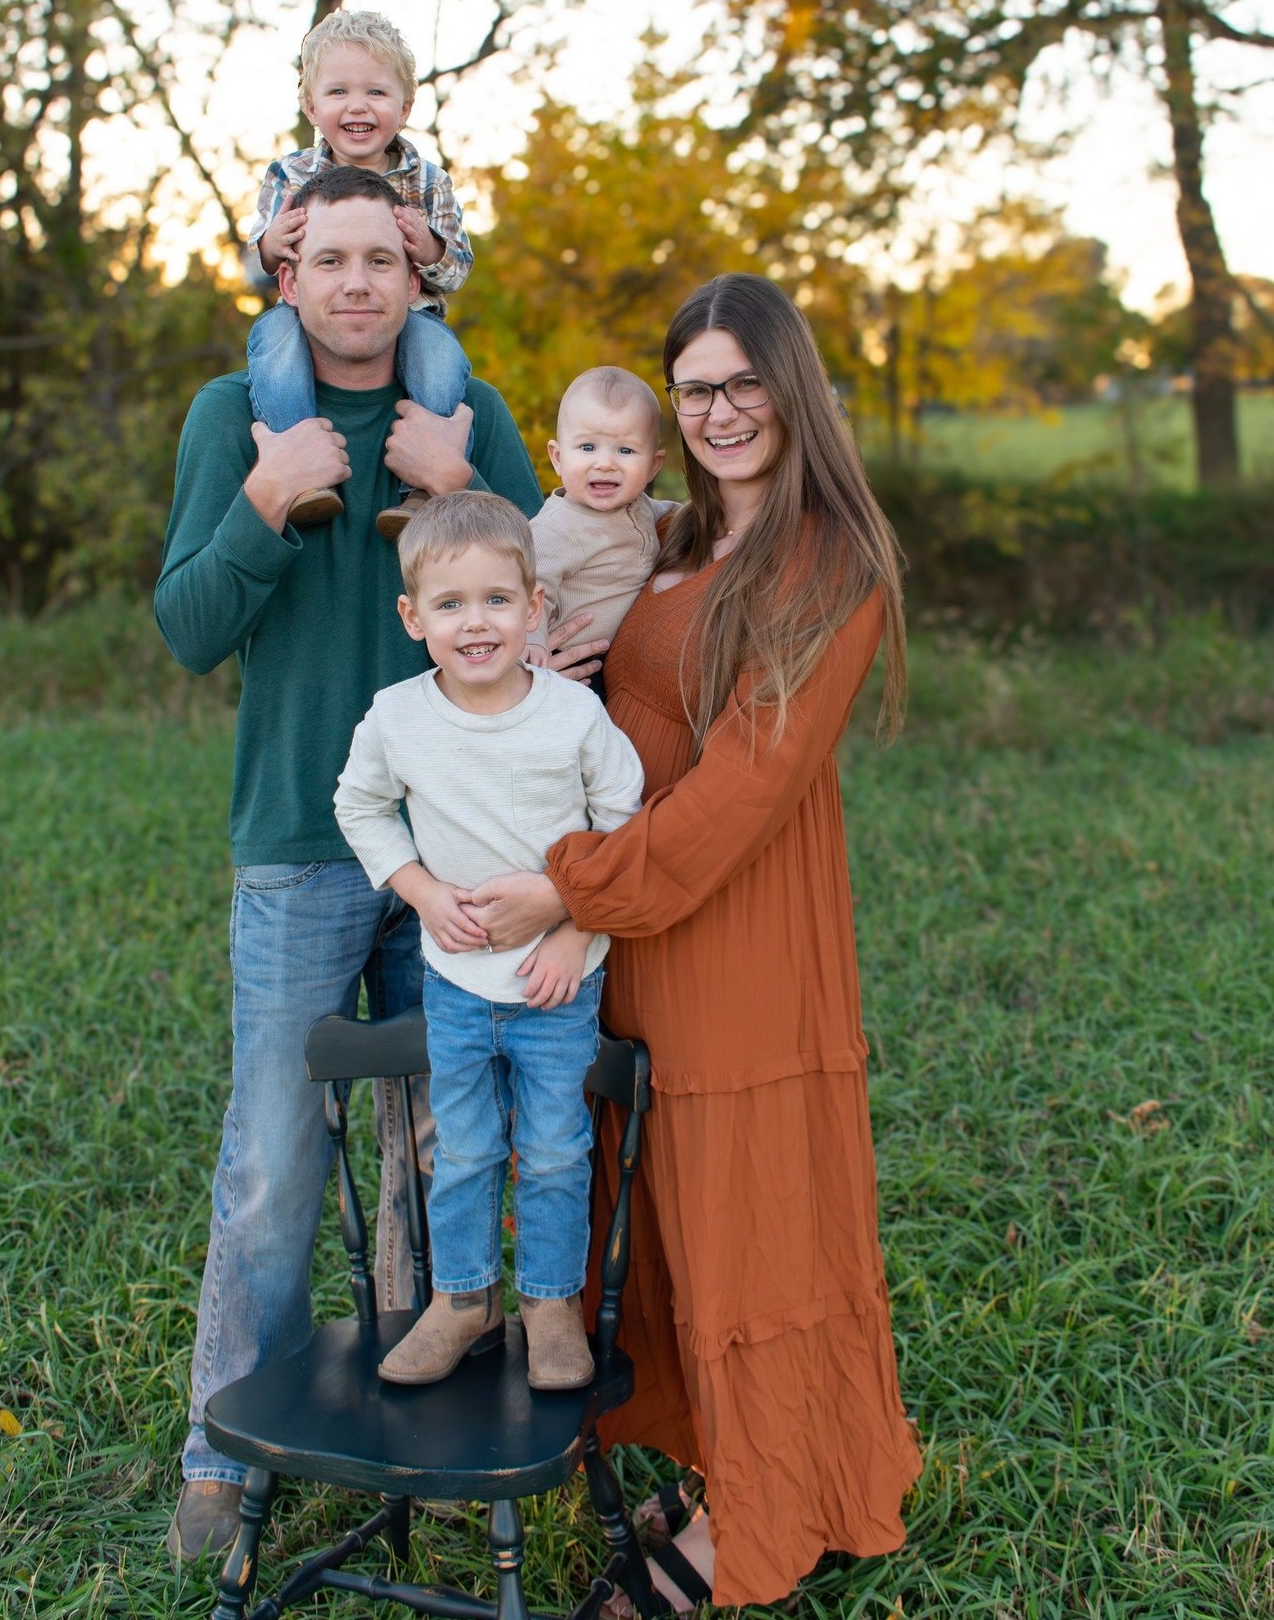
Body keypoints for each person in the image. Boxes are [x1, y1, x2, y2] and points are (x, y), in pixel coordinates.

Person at [462, 274, 924, 1609]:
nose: (719, 410)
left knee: (751, 1227)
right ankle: (738, 1458)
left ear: (794, 390)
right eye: (696, 388)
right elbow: (543, 557)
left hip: (731, 932)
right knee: (662, 1216)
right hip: (636, 930)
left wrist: (568, 886)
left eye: (742, 383)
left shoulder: (827, 560)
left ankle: (769, 1508)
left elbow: (736, 795)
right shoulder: (667, 536)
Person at [154, 163, 544, 1565]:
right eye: (331, 260)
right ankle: (223, 1447)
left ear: (419, 274)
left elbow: (543, 618)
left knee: (442, 1154)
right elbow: (190, 630)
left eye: (386, 258)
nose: (360, 284)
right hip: (300, 851)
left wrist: (469, 488)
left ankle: (423, 1426)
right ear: (289, 274)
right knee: (268, 1159)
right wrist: (265, 504)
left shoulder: (465, 417)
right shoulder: (233, 418)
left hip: (460, 860)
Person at [334, 491, 644, 1391]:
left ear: (534, 606)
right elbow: (358, 805)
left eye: (497, 601)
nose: (476, 623)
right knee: (464, 1150)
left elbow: (624, 828)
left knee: (553, 1150)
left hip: (559, 982)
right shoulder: (398, 716)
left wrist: (574, 925)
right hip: (458, 982)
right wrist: (420, 890)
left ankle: (549, 1305)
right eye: (451, 604)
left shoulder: (572, 716)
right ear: (413, 617)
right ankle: (462, 1299)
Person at [242, 8, 474, 536]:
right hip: (303, 319)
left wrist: (431, 247)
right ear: (311, 106)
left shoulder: (429, 182)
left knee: (440, 360)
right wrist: (271, 246)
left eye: (375, 92)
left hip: (408, 320)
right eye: (339, 92)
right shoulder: (290, 175)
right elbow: (260, 263)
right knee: (272, 348)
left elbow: (458, 268)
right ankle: (301, 469)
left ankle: (420, 489)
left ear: (404, 106)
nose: (357, 106)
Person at [526, 367, 677, 680]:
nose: (605, 463)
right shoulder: (556, 528)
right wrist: (533, 643)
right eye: (587, 447)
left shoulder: (642, 508)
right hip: (575, 663)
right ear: (557, 458)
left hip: (622, 656)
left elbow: (672, 514)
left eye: (625, 450)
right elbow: (529, 589)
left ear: (653, 466)